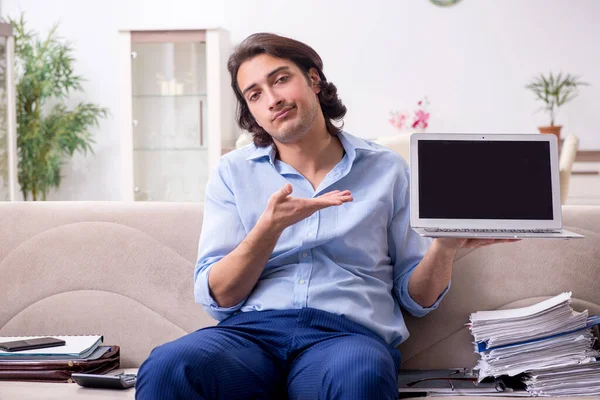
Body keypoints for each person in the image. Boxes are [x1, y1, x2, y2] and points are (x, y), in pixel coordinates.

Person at [135, 32, 518, 400]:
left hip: (345, 338)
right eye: (255, 94)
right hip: (251, 335)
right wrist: (267, 230)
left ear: (313, 80)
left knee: (360, 375)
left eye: (280, 79)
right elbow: (218, 298)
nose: (272, 99)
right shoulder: (232, 173)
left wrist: (444, 247)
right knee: (170, 365)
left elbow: (415, 299)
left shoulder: (388, 170)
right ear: (251, 110)